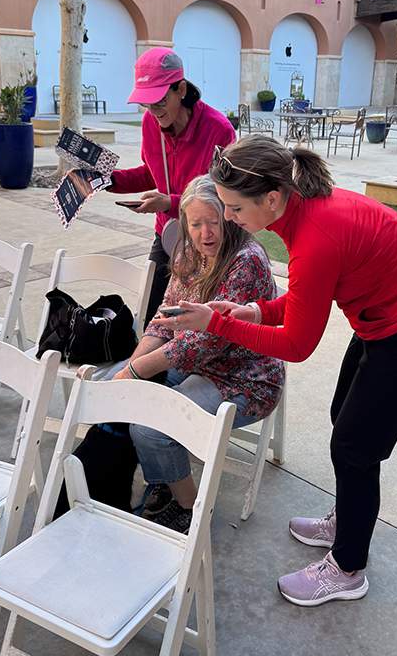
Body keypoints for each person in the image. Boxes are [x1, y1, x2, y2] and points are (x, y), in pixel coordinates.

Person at [154, 137, 397, 605]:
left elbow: (297, 346)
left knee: (355, 447)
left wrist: (217, 322)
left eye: (235, 207)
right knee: (345, 416)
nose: (229, 218)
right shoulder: (304, 215)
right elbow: (299, 303)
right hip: (386, 325)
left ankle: (347, 567)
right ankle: (349, 517)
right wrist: (251, 312)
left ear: (271, 199)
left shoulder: (316, 236)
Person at [112, 175, 285, 533]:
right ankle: (167, 475)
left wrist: (135, 373)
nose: (207, 233)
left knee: (149, 429)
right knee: (139, 398)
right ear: (185, 224)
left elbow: (204, 343)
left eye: (214, 222)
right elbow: (166, 316)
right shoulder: (190, 251)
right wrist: (133, 365)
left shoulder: (245, 260)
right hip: (196, 363)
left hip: (246, 376)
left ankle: (190, 508)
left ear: (228, 217)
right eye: (196, 224)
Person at [107, 47, 235, 325]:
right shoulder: (149, 123)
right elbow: (150, 174)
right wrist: (108, 179)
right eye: (147, 104)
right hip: (168, 235)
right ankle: (149, 369)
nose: (153, 111)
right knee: (151, 318)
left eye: (160, 101)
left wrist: (170, 202)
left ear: (181, 89)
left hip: (206, 238)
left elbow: (223, 195)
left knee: (196, 323)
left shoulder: (218, 129)